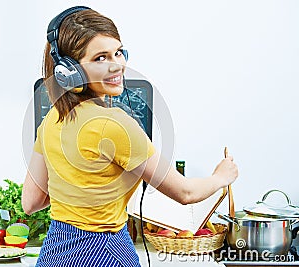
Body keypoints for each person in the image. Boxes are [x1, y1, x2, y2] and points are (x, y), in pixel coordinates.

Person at [21, 6, 238, 267]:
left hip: (54, 252)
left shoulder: (52, 120)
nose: (117, 65)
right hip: (106, 253)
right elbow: (186, 193)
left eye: (118, 52)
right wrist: (221, 177)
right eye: (100, 58)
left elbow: (31, 202)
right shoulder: (116, 126)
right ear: (69, 71)